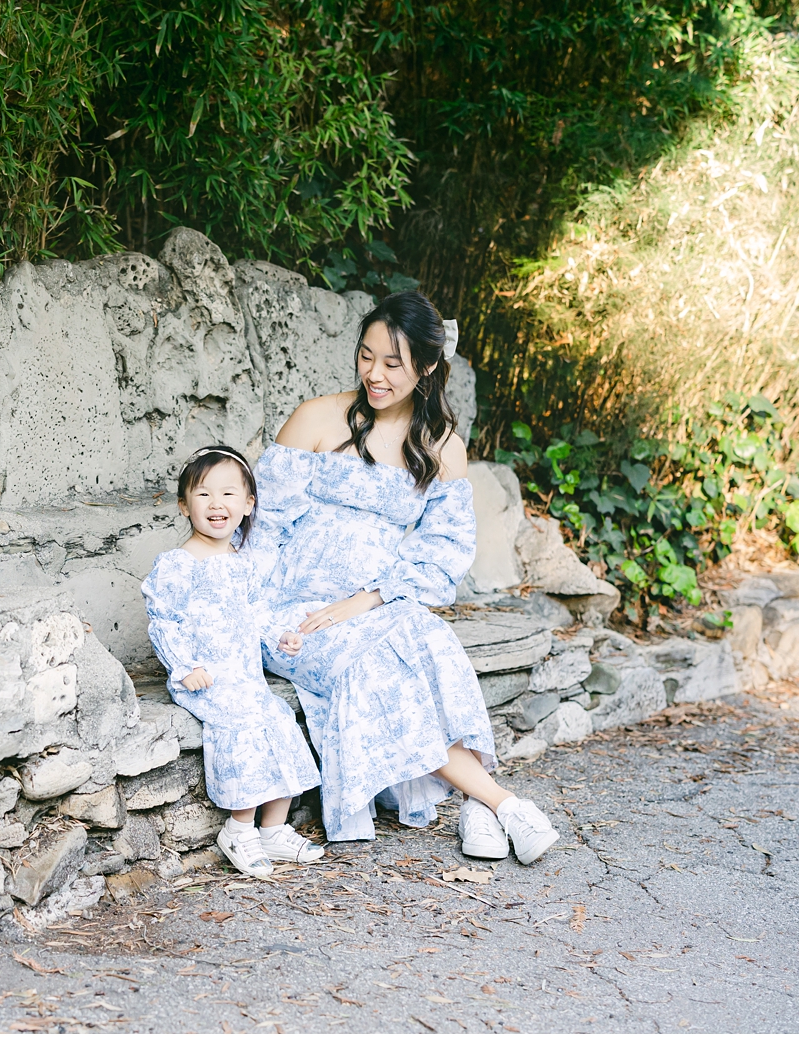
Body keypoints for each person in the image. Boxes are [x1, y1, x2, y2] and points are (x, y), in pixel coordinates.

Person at [248, 291, 559, 864]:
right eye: (367, 356)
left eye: (393, 363)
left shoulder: (441, 449)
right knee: (377, 663)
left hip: (375, 605)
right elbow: (262, 529)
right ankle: (498, 802)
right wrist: (248, 614)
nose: (375, 374)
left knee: (432, 640)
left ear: (428, 366)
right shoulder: (316, 418)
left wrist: (367, 600)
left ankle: (484, 805)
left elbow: (443, 552)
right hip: (293, 611)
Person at [141, 445, 327, 879]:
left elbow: (256, 611)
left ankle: (273, 828)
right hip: (204, 678)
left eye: (228, 494)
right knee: (243, 726)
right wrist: (184, 667)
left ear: (247, 505)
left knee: (278, 719)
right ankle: (239, 828)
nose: (216, 504)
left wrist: (279, 635)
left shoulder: (241, 565)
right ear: (184, 506)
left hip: (244, 677)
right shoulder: (177, 564)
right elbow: (163, 621)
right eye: (203, 494)